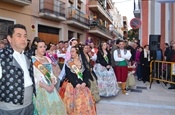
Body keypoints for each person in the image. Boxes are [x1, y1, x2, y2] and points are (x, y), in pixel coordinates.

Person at [0, 24, 36, 115]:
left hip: (29, 105)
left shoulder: (27, 56)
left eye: (25, 36)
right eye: (19, 35)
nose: (23, 39)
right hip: (10, 109)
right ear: (9, 38)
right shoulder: (2, 57)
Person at [31, 38, 67, 115]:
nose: (43, 49)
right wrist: (45, 86)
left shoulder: (47, 58)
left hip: (51, 87)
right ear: (35, 48)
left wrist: (53, 82)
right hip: (40, 89)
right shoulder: (33, 60)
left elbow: (51, 74)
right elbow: (33, 77)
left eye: (44, 46)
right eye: (40, 47)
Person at [63, 45, 96, 115]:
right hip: (72, 86)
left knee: (85, 104)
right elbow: (69, 75)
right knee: (73, 105)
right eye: (70, 51)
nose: (71, 53)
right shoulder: (68, 63)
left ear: (77, 52)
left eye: (73, 51)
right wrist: (76, 84)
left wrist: (84, 82)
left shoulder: (83, 63)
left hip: (83, 86)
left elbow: (86, 74)